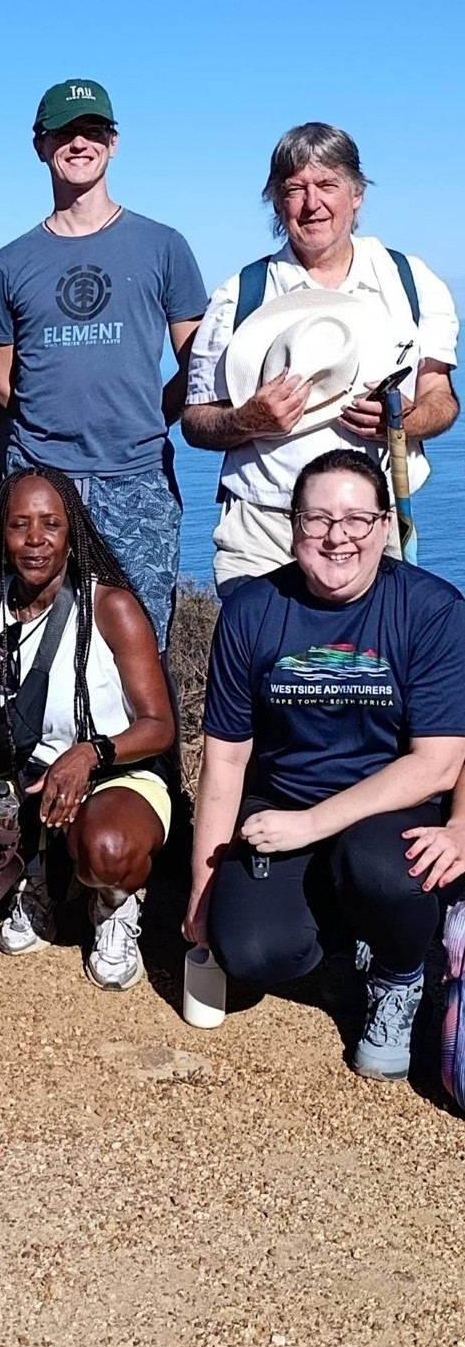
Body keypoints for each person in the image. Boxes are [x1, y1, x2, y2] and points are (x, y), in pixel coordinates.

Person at [184, 449, 465, 1082]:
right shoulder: (253, 610)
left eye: (358, 519)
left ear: (385, 527)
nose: (338, 537)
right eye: (318, 519)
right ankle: (350, 933)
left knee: (384, 871)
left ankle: (398, 976)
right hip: (281, 803)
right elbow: (225, 760)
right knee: (250, 952)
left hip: (391, 808)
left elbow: (438, 763)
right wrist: (202, 891)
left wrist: (313, 824)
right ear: (294, 528)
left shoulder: (432, 608)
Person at [0, 467, 176, 991]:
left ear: (72, 533)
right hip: (18, 779)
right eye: (19, 524)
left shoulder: (110, 607)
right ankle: (38, 874)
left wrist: (91, 752)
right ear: (0, 534)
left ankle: (113, 904)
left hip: (112, 772)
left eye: (51, 523)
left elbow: (159, 727)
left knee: (109, 849)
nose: (35, 539)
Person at [0, 80, 207, 650]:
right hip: (40, 481)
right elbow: (0, 385)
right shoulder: (9, 263)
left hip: (136, 478)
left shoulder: (163, 246)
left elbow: (197, 363)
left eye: (93, 131)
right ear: (41, 146)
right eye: (64, 133)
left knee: (141, 643)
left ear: (113, 143)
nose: (79, 143)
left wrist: (148, 417)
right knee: (30, 640)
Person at [183, 123, 459, 593]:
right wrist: (246, 420)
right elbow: (196, 420)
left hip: (371, 523)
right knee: (258, 640)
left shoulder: (411, 282)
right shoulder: (239, 295)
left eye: (328, 185)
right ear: (277, 202)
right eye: (295, 189)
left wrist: (405, 421)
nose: (313, 204)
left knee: (376, 643)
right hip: (265, 526)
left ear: (357, 195)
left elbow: (441, 397)